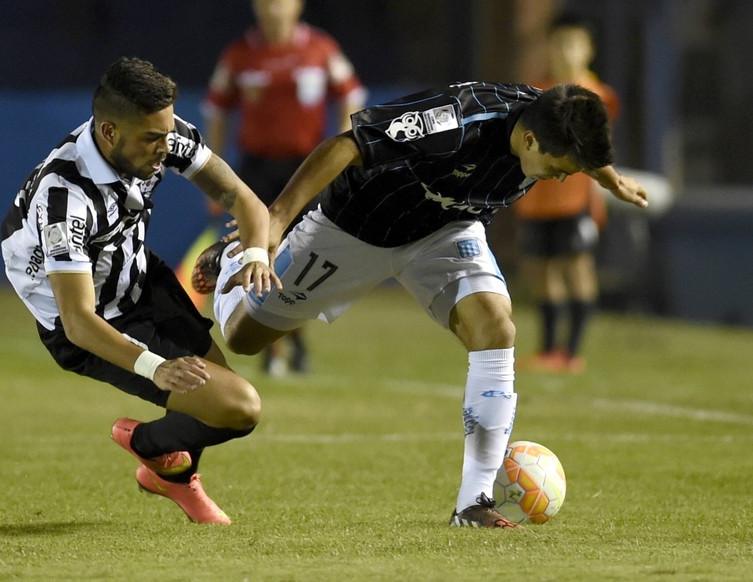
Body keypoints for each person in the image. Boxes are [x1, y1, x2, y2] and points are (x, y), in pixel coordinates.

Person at [194, 81, 648, 528]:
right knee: (243, 337)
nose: (562, 176)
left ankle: (474, 503)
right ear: (529, 140)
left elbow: (571, 147)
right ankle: (234, 256)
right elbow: (347, 145)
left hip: (447, 231)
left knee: (496, 329)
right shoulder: (457, 119)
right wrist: (274, 220)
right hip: (353, 227)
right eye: (560, 167)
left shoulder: (550, 124)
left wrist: (611, 180)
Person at [0, 57, 279, 525]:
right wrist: (156, 367)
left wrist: (253, 257)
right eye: (153, 138)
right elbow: (78, 319)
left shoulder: (162, 135)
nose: (165, 147)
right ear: (109, 133)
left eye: (168, 132)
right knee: (237, 407)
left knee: (225, 409)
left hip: (139, 280)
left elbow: (242, 198)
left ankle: (167, 473)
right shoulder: (63, 195)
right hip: (88, 324)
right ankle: (149, 447)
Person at [193, 0, 366, 376]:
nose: (274, 8)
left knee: (298, 257)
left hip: (304, 170)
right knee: (256, 254)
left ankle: (292, 342)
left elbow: (352, 94)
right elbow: (217, 111)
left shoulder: (320, 49)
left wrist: (341, 151)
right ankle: (270, 346)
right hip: (255, 172)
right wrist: (211, 173)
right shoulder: (240, 55)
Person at [514, 15, 620, 373]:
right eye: (559, 43)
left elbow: (599, 149)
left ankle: (572, 352)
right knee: (540, 270)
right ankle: (549, 350)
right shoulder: (538, 90)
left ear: (589, 51)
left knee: (576, 267)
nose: (565, 52)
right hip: (537, 199)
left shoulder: (597, 94)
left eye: (574, 44)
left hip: (576, 200)